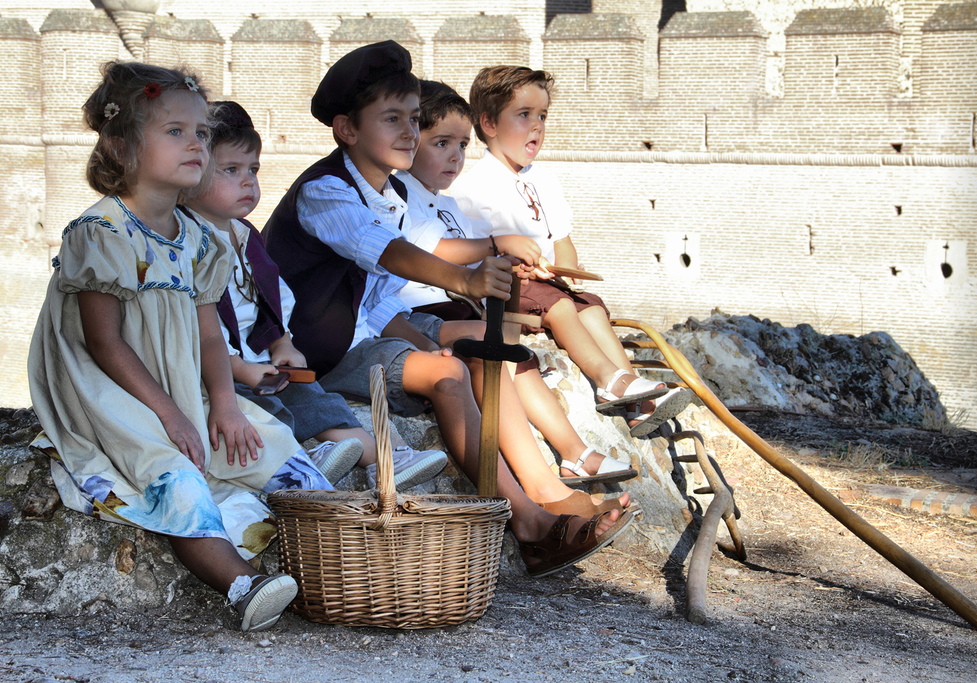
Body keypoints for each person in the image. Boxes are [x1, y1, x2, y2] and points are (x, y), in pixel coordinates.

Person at [262, 41, 633, 577]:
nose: (408, 133)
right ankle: (527, 524)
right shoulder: (327, 191)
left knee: (487, 352)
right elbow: (387, 253)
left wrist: (424, 337)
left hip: (356, 340)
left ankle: (550, 493)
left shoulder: (386, 193)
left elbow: (374, 299)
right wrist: (463, 278)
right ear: (347, 129)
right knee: (448, 373)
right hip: (307, 356)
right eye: (391, 119)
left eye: (413, 119)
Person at [27, 62, 322, 632]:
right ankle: (243, 585)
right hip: (112, 391)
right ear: (122, 145)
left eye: (202, 133)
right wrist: (171, 416)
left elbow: (210, 334)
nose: (196, 144)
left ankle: (333, 557)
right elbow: (104, 343)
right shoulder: (103, 231)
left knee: (272, 444)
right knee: (174, 474)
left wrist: (225, 405)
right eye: (175, 131)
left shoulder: (199, 238)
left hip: (179, 385)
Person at [184, 100, 447, 491]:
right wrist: (242, 370)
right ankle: (307, 458)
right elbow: (197, 328)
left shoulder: (244, 236)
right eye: (231, 170)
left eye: (253, 170)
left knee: (314, 396)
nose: (248, 182)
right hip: (216, 372)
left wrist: (282, 341)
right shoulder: (187, 240)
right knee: (266, 410)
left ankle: (389, 458)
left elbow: (272, 297)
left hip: (258, 361)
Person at [394, 80, 636, 486]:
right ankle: (554, 468)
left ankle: (575, 451)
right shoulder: (399, 197)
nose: (455, 157)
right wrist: (495, 244)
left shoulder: (448, 202)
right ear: (410, 141)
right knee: (502, 349)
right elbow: (429, 250)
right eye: (441, 144)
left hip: (463, 304)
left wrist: (510, 262)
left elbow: (482, 255)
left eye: (461, 146)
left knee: (520, 342)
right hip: (423, 309)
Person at [451, 66, 684, 437]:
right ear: (489, 124)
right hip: (510, 289)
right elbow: (476, 255)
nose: (537, 126)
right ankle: (608, 379)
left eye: (542, 115)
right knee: (559, 305)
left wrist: (565, 272)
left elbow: (561, 240)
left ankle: (638, 398)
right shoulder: (475, 188)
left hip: (545, 285)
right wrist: (523, 270)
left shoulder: (542, 179)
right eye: (524, 115)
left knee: (589, 305)